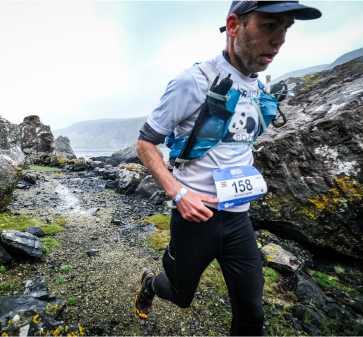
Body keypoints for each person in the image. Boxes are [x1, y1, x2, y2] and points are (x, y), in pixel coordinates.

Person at [134, 0, 321, 336]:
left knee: (252, 314)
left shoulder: (258, 87)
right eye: (269, 26)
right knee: (180, 296)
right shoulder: (192, 81)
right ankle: (150, 283)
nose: (280, 39)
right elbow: (145, 144)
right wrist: (178, 193)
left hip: (238, 219)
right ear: (234, 25)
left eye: (286, 28)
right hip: (195, 217)